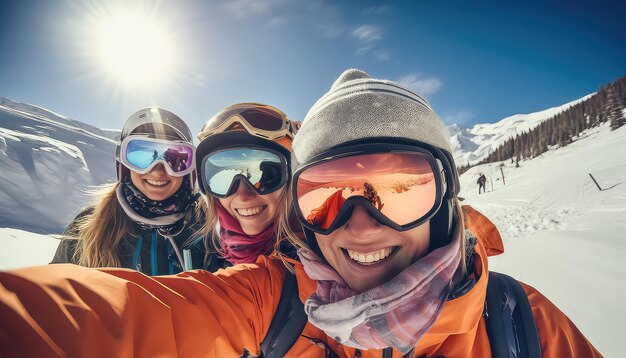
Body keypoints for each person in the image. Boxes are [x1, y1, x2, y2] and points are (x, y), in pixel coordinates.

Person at [0, 70, 601, 357]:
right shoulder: (278, 297)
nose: (361, 223)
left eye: (398, 189)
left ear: (448, 198)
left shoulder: (521, 325)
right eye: (329, 194)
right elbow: (110, 318)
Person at [50, 107, 209, 275]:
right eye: (142, 156)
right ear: (124, 165)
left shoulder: (206, 228)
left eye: (176, 159)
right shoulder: (88, 227)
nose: (158, 170)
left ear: (188, 172)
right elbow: (56, 291)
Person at [194, 102, 299, 266]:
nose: (243, 196)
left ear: (292, 179)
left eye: (268, 178)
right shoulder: (209, 257)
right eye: (226, 178)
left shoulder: (319, 262)